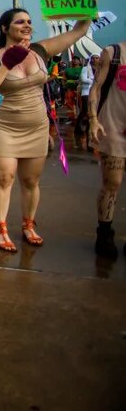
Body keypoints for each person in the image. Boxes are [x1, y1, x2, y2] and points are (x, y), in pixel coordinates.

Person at [0, 0, 97, 251]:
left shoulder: (41, 51)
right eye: (20, 22)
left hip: (36, 127)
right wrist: (9, 61)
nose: (27, 25)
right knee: (5, 178)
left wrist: (87, 0)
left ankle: (29, 224)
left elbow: (80, 30)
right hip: (5, 126)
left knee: (31, 181)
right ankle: (0, 229)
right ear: (5, 28)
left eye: (30, 21)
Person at [89, 41, 125, 258]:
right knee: (113, 182)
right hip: (113, 128)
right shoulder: (113, 53)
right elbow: (96, 87)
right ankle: (104, 232)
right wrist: (93, 119)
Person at [76, 54, 98, 141]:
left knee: (93, 111)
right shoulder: (85, 68)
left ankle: (89, 129)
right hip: (86, 92)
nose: (94, 60)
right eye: (93, 58)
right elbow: (84, 79)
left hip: (96, 92)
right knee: (85, 111)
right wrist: (94, 81)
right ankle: (78, 127)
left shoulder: (100, 69)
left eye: (96, 58)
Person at [64, 55, 83, 121]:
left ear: (79, 61)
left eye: (76, 59)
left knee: (81, 103)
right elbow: (64, 79)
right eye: (73, 59)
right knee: (69, 103)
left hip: (80, 89)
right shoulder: (67, 69)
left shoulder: (83, 69)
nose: (74, 60)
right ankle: (72, 117)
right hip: (69, 89)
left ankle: (82, 117)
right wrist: (65, 85)